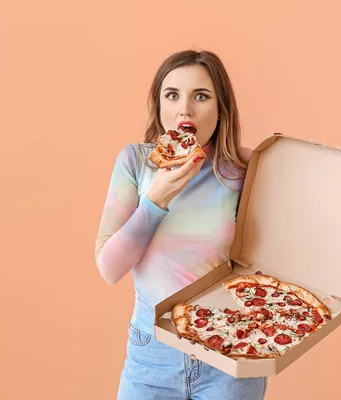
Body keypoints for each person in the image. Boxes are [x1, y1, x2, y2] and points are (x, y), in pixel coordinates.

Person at [95, 49, 267, 400]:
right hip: (152, 354)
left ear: (221, 111)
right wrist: (156, 200)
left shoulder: (245, 168)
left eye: (201, 96)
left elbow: (276, 258)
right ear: (159, 106)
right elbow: (109, 268)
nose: (185, 109)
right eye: (172, 95)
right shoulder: (136, 163)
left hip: (229, 352)